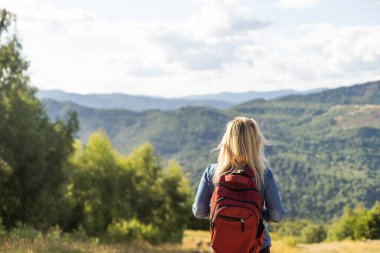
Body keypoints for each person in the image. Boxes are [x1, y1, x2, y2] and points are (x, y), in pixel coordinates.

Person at [192, 116, 285, 253]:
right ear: (255, 143)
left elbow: (199, 211)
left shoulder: (212, 172)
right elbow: (277, 215)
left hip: (223, 244)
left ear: (227, 142)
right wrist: (254, 216)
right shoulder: (263, 175)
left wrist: (223, 215)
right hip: (258, 245)